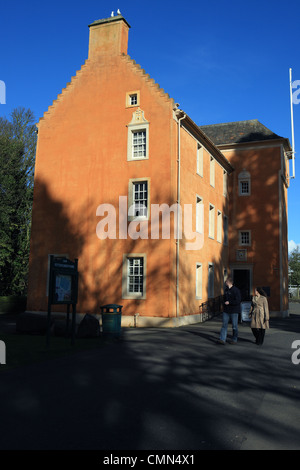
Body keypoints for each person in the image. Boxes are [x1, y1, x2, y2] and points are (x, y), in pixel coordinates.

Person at [217, 277, 241, 345]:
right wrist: (224, 303)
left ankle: (234, 339)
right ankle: (222, 339)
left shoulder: (236, 290)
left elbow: (238, 300)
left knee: (234, 326)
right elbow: (224, 298)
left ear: (229, 282)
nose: (225, 283)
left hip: (234, 311)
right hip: (226, 310)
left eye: (226, 282)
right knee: (224, 325)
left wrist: (230, 302)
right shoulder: (226, 290)